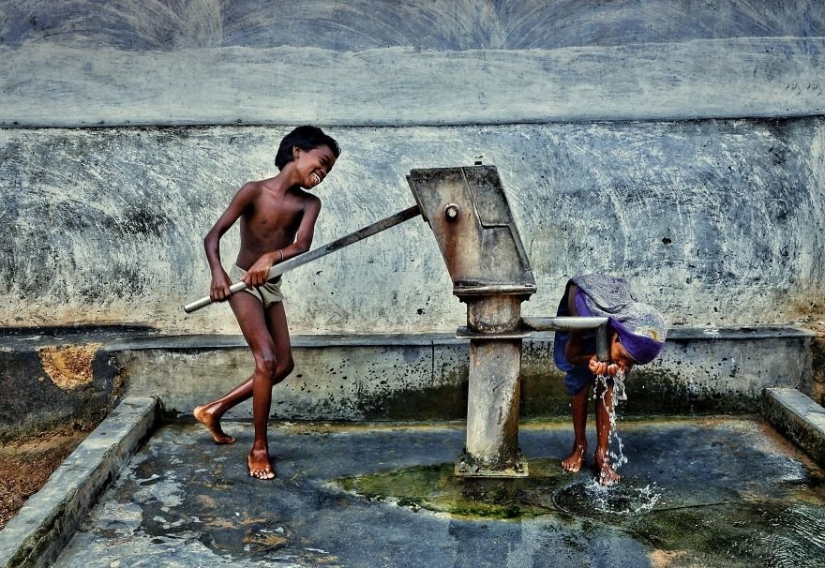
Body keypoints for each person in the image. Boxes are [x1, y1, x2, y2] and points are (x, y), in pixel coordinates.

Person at [193, 125, 340, 480]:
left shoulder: (309, 203)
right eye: (320, 163)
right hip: (241, 284)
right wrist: (218, 275)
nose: (321, 174)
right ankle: (258, 448)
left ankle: (215, 409)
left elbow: (301, 245)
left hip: (270, 287)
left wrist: (271, 257)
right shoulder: (253, 192)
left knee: (284, 364)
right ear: (297, 152)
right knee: (267, 360)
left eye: (327, 171)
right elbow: (213, 236)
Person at [553, 274, 667, 485]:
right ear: (615, 337)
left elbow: (626, 358)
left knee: (610, 381)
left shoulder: (634, 323)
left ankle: (602, 456)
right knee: (578, 379)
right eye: (623, 357)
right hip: (583, 297)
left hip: (613, 303)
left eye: (630, 363)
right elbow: (571, 357)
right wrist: (593, 358)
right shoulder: (583, 315)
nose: (624, 364)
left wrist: (618, 364)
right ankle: (579, 446)